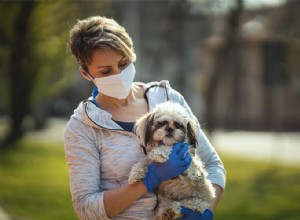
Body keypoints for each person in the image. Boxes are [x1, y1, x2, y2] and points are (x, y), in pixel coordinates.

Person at [64, 16, 226, 220]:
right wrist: (149, 180)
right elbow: (86, 208)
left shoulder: (169, 99)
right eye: (106, 71)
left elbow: (212, 164)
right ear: (86, 73)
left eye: (124, 63)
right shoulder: (82, 127)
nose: (118, 74)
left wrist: (206, 210)